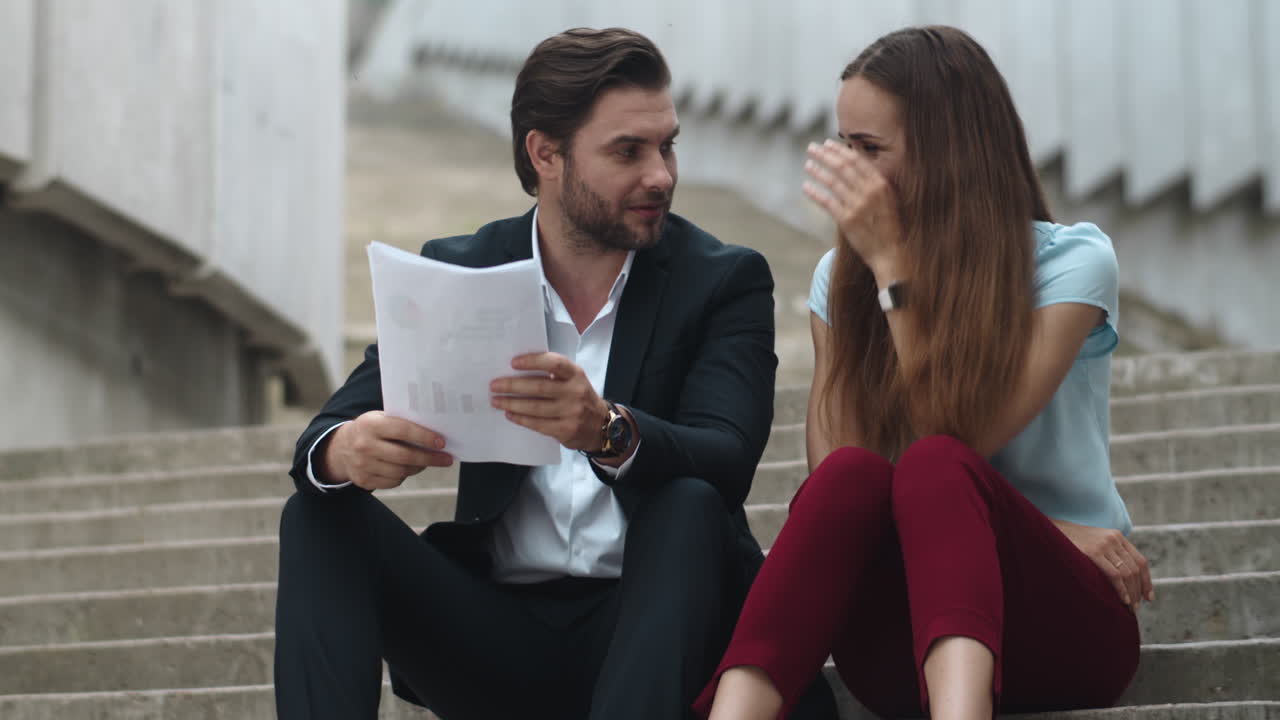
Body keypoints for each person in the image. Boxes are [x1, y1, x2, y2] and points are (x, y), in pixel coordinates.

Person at [273, 27, 835, 720]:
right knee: (319, 513)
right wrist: (345, 450)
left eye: (667, 145)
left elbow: (726, 459)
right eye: (628, 151)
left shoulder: (720, 280)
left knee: (689, 502)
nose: (660, 174)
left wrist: (608, 431)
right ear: (546, 154)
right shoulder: (461, 270)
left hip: (664, 633)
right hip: (503, 639)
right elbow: (319, 438)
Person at [693, 25, 1149, 720]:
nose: (849, 170)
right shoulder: (837, 280)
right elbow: (843, 481)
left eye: (870, 149)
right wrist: (874, 271)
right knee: (848, 478)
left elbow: (966, 438)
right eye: (842, 144)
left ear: (948, 151)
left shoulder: (1070, 266)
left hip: (1064, 626)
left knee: (937, 461)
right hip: (906, 645)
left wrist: (895, 271)